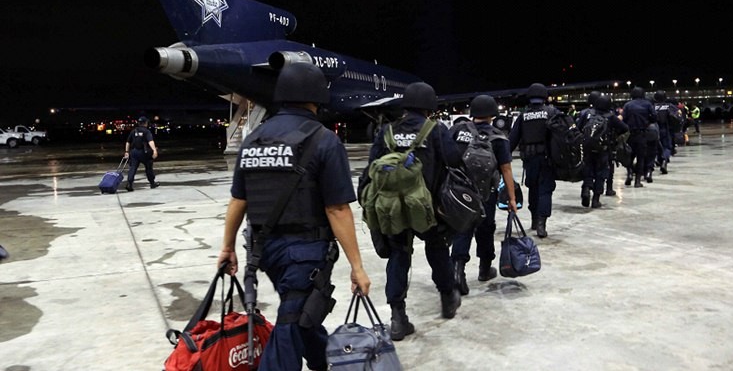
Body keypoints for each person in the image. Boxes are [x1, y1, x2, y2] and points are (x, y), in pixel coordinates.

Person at [216, 62, 370, 371]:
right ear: (317, 96)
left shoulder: (254, 140)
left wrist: (228, 246)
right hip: (305, 252)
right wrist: (357, 266)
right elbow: (337, 208)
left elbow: (238, 199)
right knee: (290, 323)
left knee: (301, 314)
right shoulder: (324, 140)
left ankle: (324, 359)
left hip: (264, 250)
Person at [365, 81, 462, 342]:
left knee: (398, 255)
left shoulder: (387, 132)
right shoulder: (436, 130)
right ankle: (447, 298)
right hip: (426, 208)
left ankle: (397, 318)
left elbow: (370, 170)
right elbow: (455, 161)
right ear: (430, 107)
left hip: (393, 209)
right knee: (437, 249)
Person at [449, 94, 517, 296]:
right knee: (486, 228)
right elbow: (506, 170)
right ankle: (485, 269)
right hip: (487, 192)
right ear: (492, 115)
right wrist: (512, 198)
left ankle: (457, 271)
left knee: (462, 229)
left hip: (459, 192)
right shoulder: (498, 137)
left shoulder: (457, 131)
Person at [508, 82, 559, 238]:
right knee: (545, 191)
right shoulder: (552, 112)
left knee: (533, 189)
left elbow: (512, 140)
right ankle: (542, 225)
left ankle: (534, 220)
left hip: (529, 160)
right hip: (547, 159)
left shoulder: (524, 116)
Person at [575, 94, 629, 208]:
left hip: (587, 148)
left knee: (588, 169)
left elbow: (577, 128)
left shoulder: (587, 113)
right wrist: (613, 137)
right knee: (601, 173)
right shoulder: (611, 116)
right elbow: (625, 128)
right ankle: (596, 200)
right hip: (603, 149)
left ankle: (586, 188)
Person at [621, 87, 657, 188]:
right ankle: (637, 181)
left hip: (630, 134)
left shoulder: (628, 105)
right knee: (641, 158)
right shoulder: (647, 104)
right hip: (642, 133)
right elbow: (654, 117)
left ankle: (629, 174)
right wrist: (647, 121)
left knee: (629, 156)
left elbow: (623, 118)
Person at [124, 116, 159, 191]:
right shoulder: (147, 131)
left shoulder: (134, 131)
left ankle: (129, 184)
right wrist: (154, 150)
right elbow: (150, 141)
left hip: (134, 152)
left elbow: (128, 142)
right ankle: (152, 183)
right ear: (146, 123)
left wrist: (126, 152)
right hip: (144, 153)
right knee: (148, 167)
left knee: (132, 168)